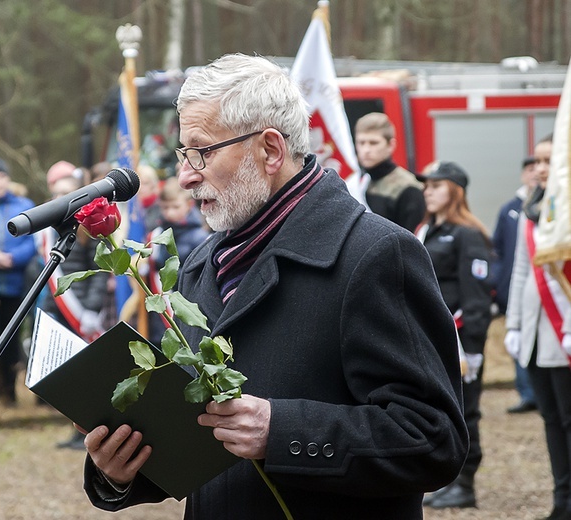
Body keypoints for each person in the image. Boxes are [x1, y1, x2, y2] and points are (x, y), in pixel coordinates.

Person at [80, 53, 468, 520]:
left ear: (270, 149)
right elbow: (197, 433)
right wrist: (120, 468)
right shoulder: (201, 264)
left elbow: (433, 438)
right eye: (183, 154)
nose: (184, 175)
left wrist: (281, 431)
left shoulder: (377, 254)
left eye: (202, 151)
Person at [415, 162, 493, 509]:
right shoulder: (426, 230)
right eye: (426, 185)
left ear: (455, 191)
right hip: (430, 338)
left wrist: (474, 347)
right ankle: (448, 480)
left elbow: (476, 296)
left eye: (437, 185)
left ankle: (466, 483)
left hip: (459, 341)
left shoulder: (467, 234)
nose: (428, 190)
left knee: (465, 410)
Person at [506, 134, 571, 520]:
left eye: (550, 160)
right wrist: (513, 323)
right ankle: (561, 500)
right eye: (538, 161)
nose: (541, 168)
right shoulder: (530, 210)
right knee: (550, 420)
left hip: (561, 333)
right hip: (534, 330)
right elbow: (519, 271)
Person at [36, 164, 109, 449]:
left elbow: (101, 272)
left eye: (66, 193)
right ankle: (76, 429)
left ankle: (91, 432)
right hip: (59, 310)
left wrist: (91, 309)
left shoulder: (88, 227)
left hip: (83, 311)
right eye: (55, 194)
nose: (60, 199)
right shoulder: (48, 230)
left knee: (88, 374)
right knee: (67, 374)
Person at [0, 158, 36, 406]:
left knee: (11, 338)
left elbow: (33, 240)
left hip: (16, 283)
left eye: (2, 177)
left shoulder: (24, 205)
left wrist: (15, 257)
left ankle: (10, 392)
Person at [492, 156, 539, 414]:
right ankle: (527, 393)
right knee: (518, 341)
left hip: (545, 289)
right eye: (530, 169)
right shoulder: (510, 209)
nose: (535, 173)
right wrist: (497, 281)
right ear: (523, 175)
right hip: (514, 287)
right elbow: (496, 248)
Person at [141, 177, 209, 346]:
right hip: (157, 316)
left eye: (175, 207)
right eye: (165, 208)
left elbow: (198, 280)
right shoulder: (156, 235)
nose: (170, 212)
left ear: (188, 205)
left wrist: (166, 272)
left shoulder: (201, 238)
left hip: (184, 312)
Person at [352, 112, 425, 232]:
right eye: (361, 142)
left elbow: (411, 241)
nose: (366, 150)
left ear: (391, 145)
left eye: (373, 143)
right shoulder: (356, 182)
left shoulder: (408, 188)